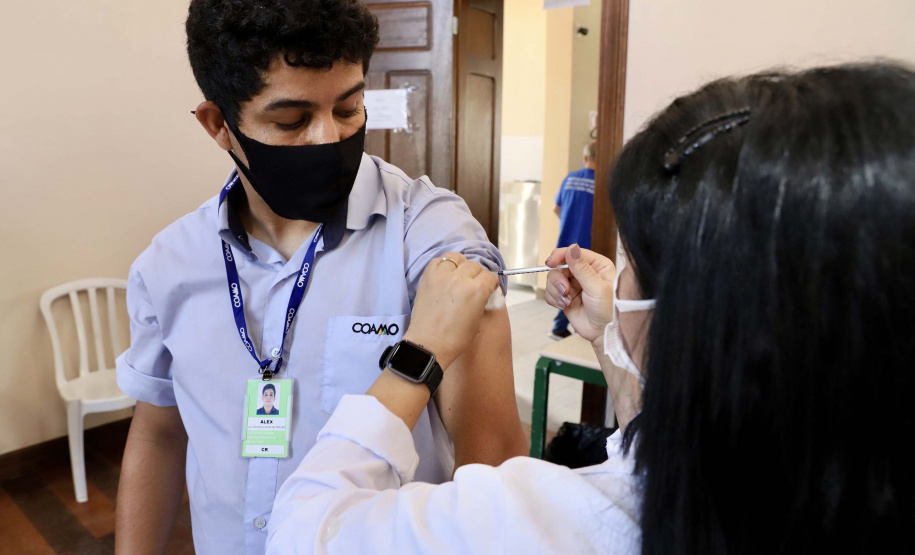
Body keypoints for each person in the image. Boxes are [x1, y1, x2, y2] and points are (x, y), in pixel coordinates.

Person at [264, 63, 915, 554]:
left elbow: (305, 529)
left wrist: (418, 353)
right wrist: (619, 336)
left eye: (629, 260)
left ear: (694, 317)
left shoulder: (562, 520)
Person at [114, 1, 527, 554]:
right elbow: (160, 435)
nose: (328, 138)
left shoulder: (425, 232)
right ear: (219, 125)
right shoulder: (169, 265)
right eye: (291, 120)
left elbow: (492, 454)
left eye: (350, 108)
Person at [551, 141, 597, 338]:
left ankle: (561, 327)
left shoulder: (569, 179)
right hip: (588, 246)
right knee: (584, 287)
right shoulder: (602, 184)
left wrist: (569, 223)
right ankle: (570, 328)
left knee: (566, 284)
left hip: (565, 243)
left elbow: (556, 208)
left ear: (585, 158)